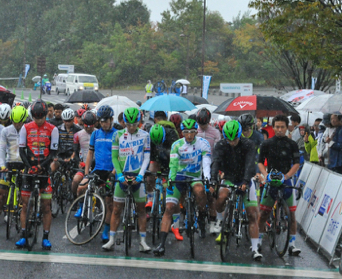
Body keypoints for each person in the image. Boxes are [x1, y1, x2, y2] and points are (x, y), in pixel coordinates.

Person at [153, 118, 211, 256]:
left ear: (196, 131)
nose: (189, 135)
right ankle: (162, 244)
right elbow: (173, 165)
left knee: (200, 191)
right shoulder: (176, 145)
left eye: (192, 132)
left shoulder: (204, 144)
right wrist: (171, 180)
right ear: (182, 133)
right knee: (169, 208)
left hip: (195, 176)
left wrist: (207, 178)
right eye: (186, 132)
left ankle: (202, 216)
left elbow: (207, 162)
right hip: (179, 177)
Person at [210, 120, 263, 261]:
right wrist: (214, 180)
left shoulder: (248, 144)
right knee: (221, 198)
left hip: (245, 177)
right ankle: (222, 220)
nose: (232, 142)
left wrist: (246, 182)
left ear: (239, 136)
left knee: (252, 214)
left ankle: (255, 248)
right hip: (229, 177)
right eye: (229, 139)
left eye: (234, 139)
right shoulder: (221, 145)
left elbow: (250, 164)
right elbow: (215, 162)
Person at [102, 107, 151, 253]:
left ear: (139, 122)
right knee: (116, 209)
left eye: (134, 125)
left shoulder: (145, 136)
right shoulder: (117, 135)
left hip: (138, 175)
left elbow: (147, 157)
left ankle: (143, 241)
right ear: (124, 122)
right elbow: (114, 157)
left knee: (141, 210)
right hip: (122, 175)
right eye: (128, 124)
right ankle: (111, 240)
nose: (130, 128)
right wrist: (120, 175)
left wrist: (141, 176)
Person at [16, 99, 59, 250]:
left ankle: (45, 237)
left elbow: (53, 152)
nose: (38, 120)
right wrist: (30, 167)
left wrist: (42, 166)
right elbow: (21, 151)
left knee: (46, 207)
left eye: (41, 118)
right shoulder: (25, 128)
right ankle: (23, 235)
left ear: (46, 115)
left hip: (44, 170)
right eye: (36, 117)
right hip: (30, 169)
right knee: (25, 204)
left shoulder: (53, 129)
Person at [257, 115, 302, 256]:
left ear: (287, 127)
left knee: (292, 215)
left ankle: (292, 244)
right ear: (273, 127)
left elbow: (296, 163)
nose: (280, 130)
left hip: (286, 178)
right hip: (271, 178)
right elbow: (260, 162)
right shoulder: (267, 143)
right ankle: (258, 240)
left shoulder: (292, 144)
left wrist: (287, 176)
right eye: (277, 127)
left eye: (282, 127)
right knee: (264, 213)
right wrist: (265, 174)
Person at [75, 105, 118, 242]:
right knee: (81, 187)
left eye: (107, 121)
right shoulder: (95, 134)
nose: (105, 124)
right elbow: (90, 154)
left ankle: (105, 230)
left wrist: (114, 172)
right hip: (98, 169)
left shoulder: (117, 134)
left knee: (109, 203)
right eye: (102, 121)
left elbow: (120, 156)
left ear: (112, 120)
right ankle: (82, 207)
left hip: (111, 171)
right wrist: (87, 173)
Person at [0, 105, 28, 236]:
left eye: (19, 122)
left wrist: (28, 167)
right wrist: (2, 165)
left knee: (25, 198)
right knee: (2, 195)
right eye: (14, 122)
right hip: (9, 164)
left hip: (23, 164)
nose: (16, 124)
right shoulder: (6, 131)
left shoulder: (28, 130)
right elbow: (1, 149)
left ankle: (26, 224)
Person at [71, 110, 96, 196]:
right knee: (76, 180)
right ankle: (75, 199)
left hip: (96, 165)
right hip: (83, 164)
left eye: (91, 126)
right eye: (86, 126)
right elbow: (75, 151)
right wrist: (78, 162)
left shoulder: (98, 133)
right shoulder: (77, 135)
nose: (89, 128)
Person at [52, 108, 81, 173]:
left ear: (73, 119)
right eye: (65, 121)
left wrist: (73, 156)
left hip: (73, 155)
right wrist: (54, 156)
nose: (67, 123)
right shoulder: (57, 129)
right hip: (60, 155)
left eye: (69, 121)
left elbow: (78, 146)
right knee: (52, 168)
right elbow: (55, 143)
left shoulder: (78, 130)